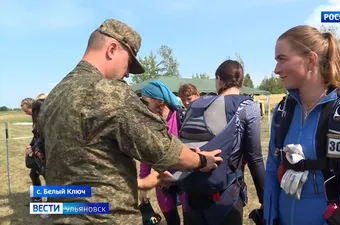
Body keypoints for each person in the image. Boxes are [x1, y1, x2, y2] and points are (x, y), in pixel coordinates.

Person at [37, 18, 222, 225]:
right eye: (129, 63)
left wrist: (140, 183)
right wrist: (203, 161)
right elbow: (165, 151)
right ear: (112, 49)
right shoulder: (109, 93)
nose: (126, 73)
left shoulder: (55, 96)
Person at [263, 25, 340, 225]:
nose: (276, 70)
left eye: (282, 59)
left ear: (311, 60)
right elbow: (271, 170)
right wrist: (270, 219)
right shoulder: (283, 112)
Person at [181, 60, 265, 225]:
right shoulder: (247, 106)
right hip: (226, 196)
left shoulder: (195, 105)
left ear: (218, 79)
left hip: (191, 196)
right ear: (241, 81)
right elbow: (255, 158)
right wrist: (264, 199)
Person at [139, 80, 188, 225]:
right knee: (172, 221)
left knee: (190, 220)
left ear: (159, 101)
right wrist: (143, 186)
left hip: (185, 182)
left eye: (145, 101)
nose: (142, 105)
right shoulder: (148, 125)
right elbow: (145, 156)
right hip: (163, 186)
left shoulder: (181, 119)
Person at [21, 97, 42, 205]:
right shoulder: (35, 117)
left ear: (32, 107)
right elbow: (36, 135)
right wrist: (31, 144)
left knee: (49, 177)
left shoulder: (42, 117)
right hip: (38, 150)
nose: (26, 114)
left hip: (45, 152)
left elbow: (44, 137)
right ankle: (37, 199)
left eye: (26, 111)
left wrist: (33, 149)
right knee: (33, 174)